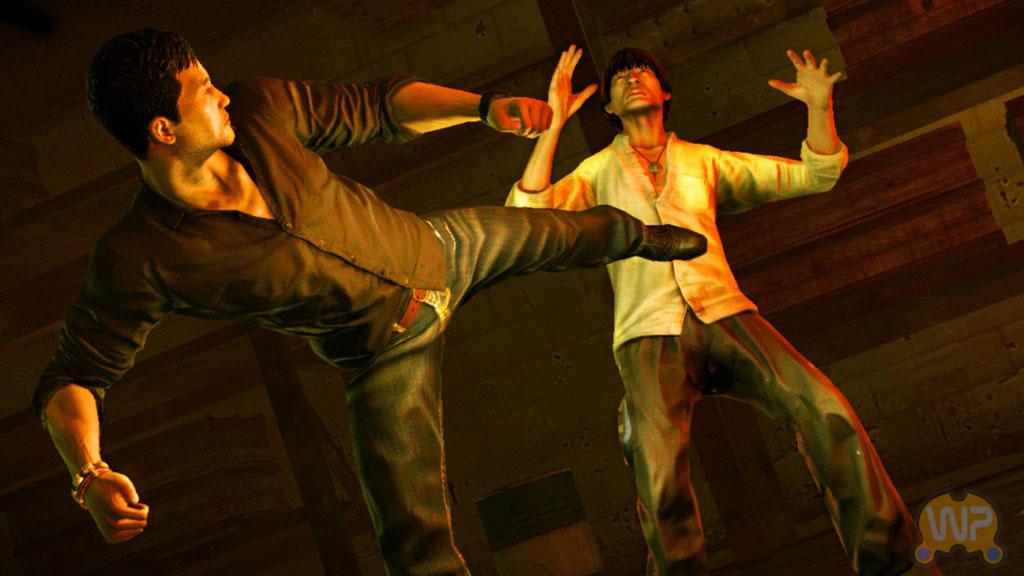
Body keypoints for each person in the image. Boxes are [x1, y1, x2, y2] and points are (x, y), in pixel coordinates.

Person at [31, 29, 710, 575]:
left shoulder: (260, 108)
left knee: (566, 233)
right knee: (413, 543)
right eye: (204, 92)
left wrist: (483, 108)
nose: (222, 96)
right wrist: (89, 474)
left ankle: (645, 236)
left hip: (439, 249)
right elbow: (73, 376)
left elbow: (378, 107)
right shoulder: (141, 257)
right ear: (164, 130)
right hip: (383, 357)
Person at [507, 45, 935, 575]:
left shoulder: (703, 160)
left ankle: (894, 565)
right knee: (660, 479)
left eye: (644, 72)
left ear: (665, 92)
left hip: (726, 314)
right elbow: (529, 216)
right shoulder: (597, 172)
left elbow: (815, 174)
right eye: (620, 77)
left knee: (827, 410)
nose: (633, 78)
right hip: (647, 332)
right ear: (609, 107)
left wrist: (819, 107)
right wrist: (552, 126)